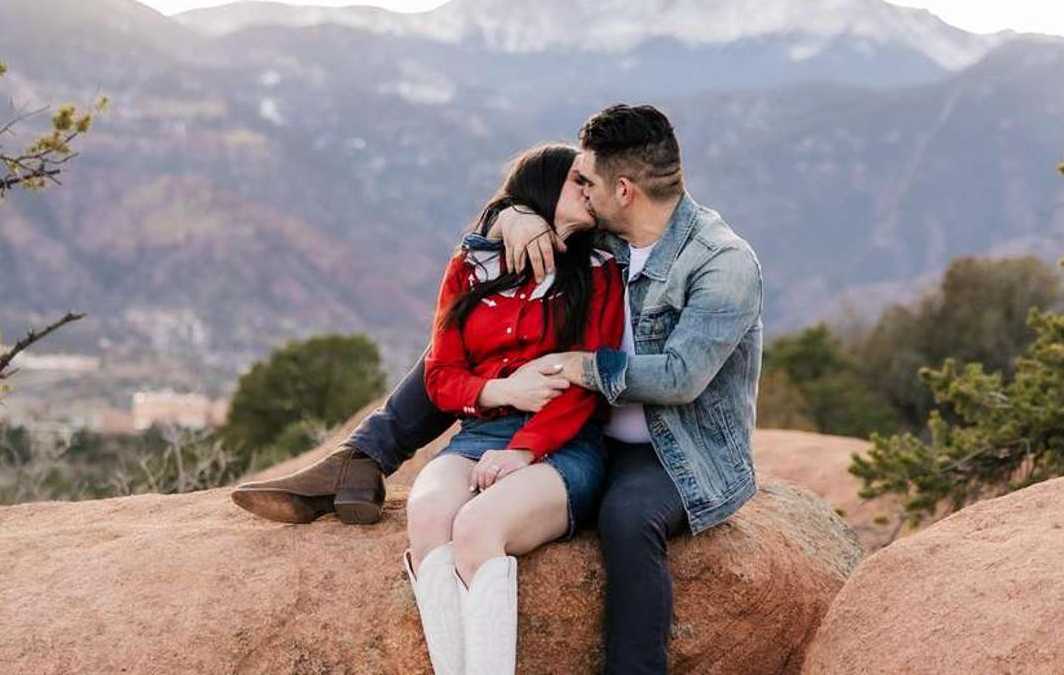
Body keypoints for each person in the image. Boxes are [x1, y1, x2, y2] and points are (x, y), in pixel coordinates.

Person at [232, 105, 764, 675]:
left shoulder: (720, 262)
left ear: (624, 191)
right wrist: (513, 214)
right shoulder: (605, 234)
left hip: (670, 447)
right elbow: (532, 208)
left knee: (627, 519)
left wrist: (576, 371)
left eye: (587, 182)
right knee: (458, 352)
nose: (581, 191)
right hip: (587, 428)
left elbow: (681, 378)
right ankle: (361, 458)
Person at [401, 143, 626, 675]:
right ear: (546, 190)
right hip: (479, 432)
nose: (591, 192)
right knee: (429, 514)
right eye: (579, 182)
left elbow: (586, 383)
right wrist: (503, 392)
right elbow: (439, 376)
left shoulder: (599, 269)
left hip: (564, 444)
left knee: (477, 527)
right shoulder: (471, 267)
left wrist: (526, 450)